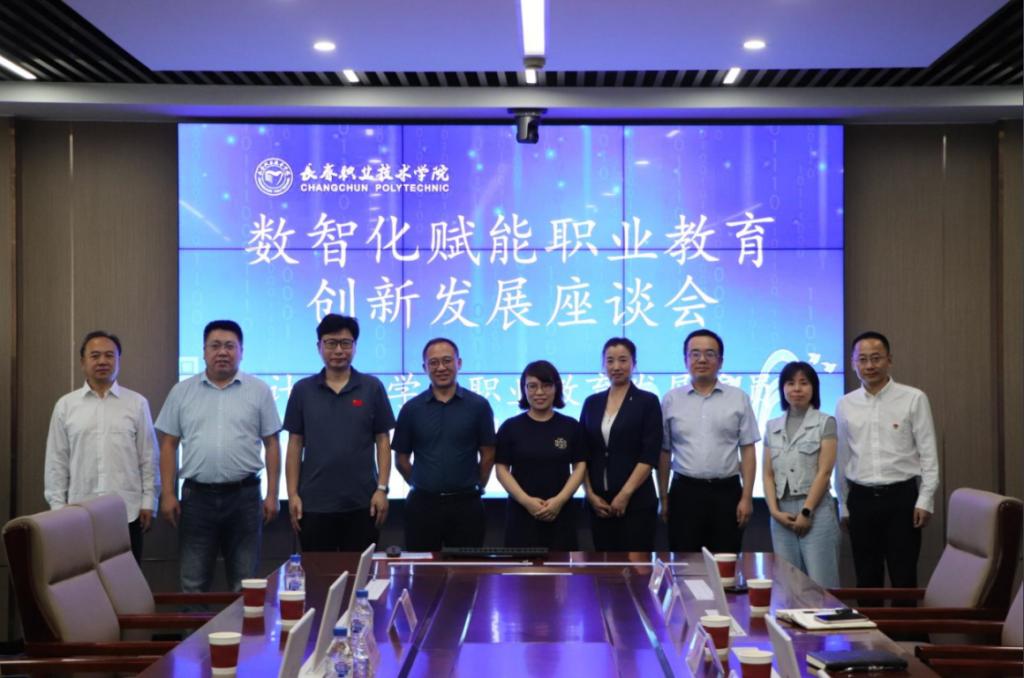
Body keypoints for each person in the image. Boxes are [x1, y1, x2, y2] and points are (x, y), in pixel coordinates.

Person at [156, 320, 281, 592]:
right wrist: (167, 493)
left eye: (229, 346)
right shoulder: (182, 391)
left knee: (245, 584)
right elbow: (168, 445)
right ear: (204, 351)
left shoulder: (259, 390)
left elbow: (272, 443)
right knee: (192, 583)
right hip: (197, 498)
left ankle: (245, 624)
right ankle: (194, 624)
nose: (222, 352)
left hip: (245, 497)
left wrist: (272, 494)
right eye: (215, 346)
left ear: (241, 351)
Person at [44, 330, 159, 563]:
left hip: (127, 513)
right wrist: (57, 509)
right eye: (95, 356)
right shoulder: (65, 406)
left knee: (125, 579)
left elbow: (148, 457)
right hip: (77, 515)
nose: (102, 361)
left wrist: (149, 502)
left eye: (109, 355)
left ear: (118, 360)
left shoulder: (137, 404)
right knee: (82, 579)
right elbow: (56, 461)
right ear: (83, 362)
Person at [836, 331, 939, 592]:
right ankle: (869, 623)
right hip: (860, 499)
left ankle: (905, 623)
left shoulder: (914, 398)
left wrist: (925, 499)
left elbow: (928, 452)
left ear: (889, 360)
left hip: (902, 499)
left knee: (904, 578)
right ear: (853, 363)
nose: (869, 365)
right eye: (862, 359)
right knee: (866, 579)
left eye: (876, 358)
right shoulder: (845, 404)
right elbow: (842, 457)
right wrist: (843, 504)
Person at [284, 314, 394, 552]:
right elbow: (294, 445)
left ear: (355, 346)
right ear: (319, 346)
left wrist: (382, 489)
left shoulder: (372, 387)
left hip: (363, 503)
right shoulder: (303, 390)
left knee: (360, 572)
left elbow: (383, 441)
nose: (338, 350)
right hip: (314, 503)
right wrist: (292, 494)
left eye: (345, 343)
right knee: (317, 571)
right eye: (331, 343)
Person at [658, 329, 759, 553]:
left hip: (727, 493)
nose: (702, 359)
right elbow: (664, 452)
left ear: (720, 361)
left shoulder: (738, 398)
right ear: (685, 360)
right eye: (694, 354)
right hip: (684, 492)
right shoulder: (671, 399)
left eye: (709, 354)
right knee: (685, 562)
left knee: (725, 561)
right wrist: (663, 497)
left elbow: (748, 450)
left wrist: (747, 497)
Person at [392, 338, 496, 551]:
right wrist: (422, 483)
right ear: (425, 368)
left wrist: (476, 484)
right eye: (433, 362)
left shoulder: (479, 406)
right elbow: (401, 460)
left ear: (459, 363)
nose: (441, 368)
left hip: (467, 505)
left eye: (447, 360)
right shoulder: (411, 409)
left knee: (466, 567)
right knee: (422, 568)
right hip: (422, 505)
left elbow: (488, 454)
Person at [762, 361, 840, 587]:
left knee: (822, 585)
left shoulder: (825, 422)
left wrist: (806, 511)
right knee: (788, 586)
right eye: (790, 383)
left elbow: (825, 472)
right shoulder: (772, 426)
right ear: (782, 388)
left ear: (814, 388)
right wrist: (774, 512)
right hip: (781, 514)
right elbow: (767, 474)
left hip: (816, 511)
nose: (797, 389)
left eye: (804, 383)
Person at [579, 338, 662, 551]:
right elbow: (582, 453)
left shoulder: (647, 401)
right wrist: (590, 494)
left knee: (637, 566)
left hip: (637, 501)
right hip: (599, 504)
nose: (616, 367)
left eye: (623, 360)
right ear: (603, 365)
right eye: (610, 361)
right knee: (604, 565)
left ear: (634, 363)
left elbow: (649, 454)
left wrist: (625, 494)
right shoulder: (591, 402)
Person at [495, 360, 587, 550]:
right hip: (521, 514)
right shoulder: (510, 427)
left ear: (556, 388)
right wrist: (526, 501)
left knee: (561, 567)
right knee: (520, 567)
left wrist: (559, 501)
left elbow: (580, 467)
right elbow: (501, 469)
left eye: (546, 385)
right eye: (532, 386)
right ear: (524, 389)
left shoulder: (571, 426)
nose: (539, 392)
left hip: (560, 513)